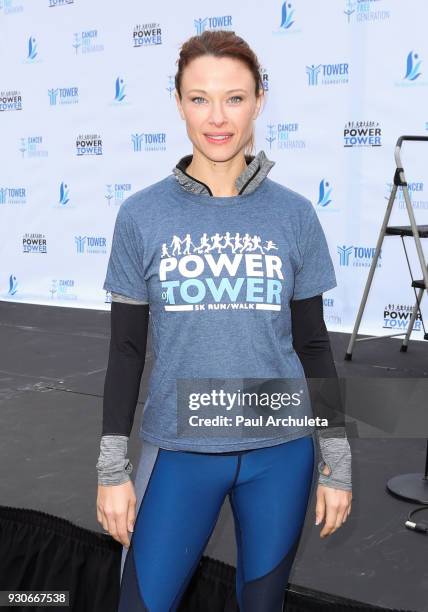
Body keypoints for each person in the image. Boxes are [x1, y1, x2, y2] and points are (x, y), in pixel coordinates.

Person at [96, 30, 352, 612]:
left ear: (260, 100)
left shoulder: (294, 213)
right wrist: (112, 467)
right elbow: (126, 352)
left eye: (234, 98)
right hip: (180, 450)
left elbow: (313, 344)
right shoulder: (141, 215)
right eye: (200, 98)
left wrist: (338, 459)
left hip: (282, 448)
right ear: (179, 102)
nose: (218, 118)